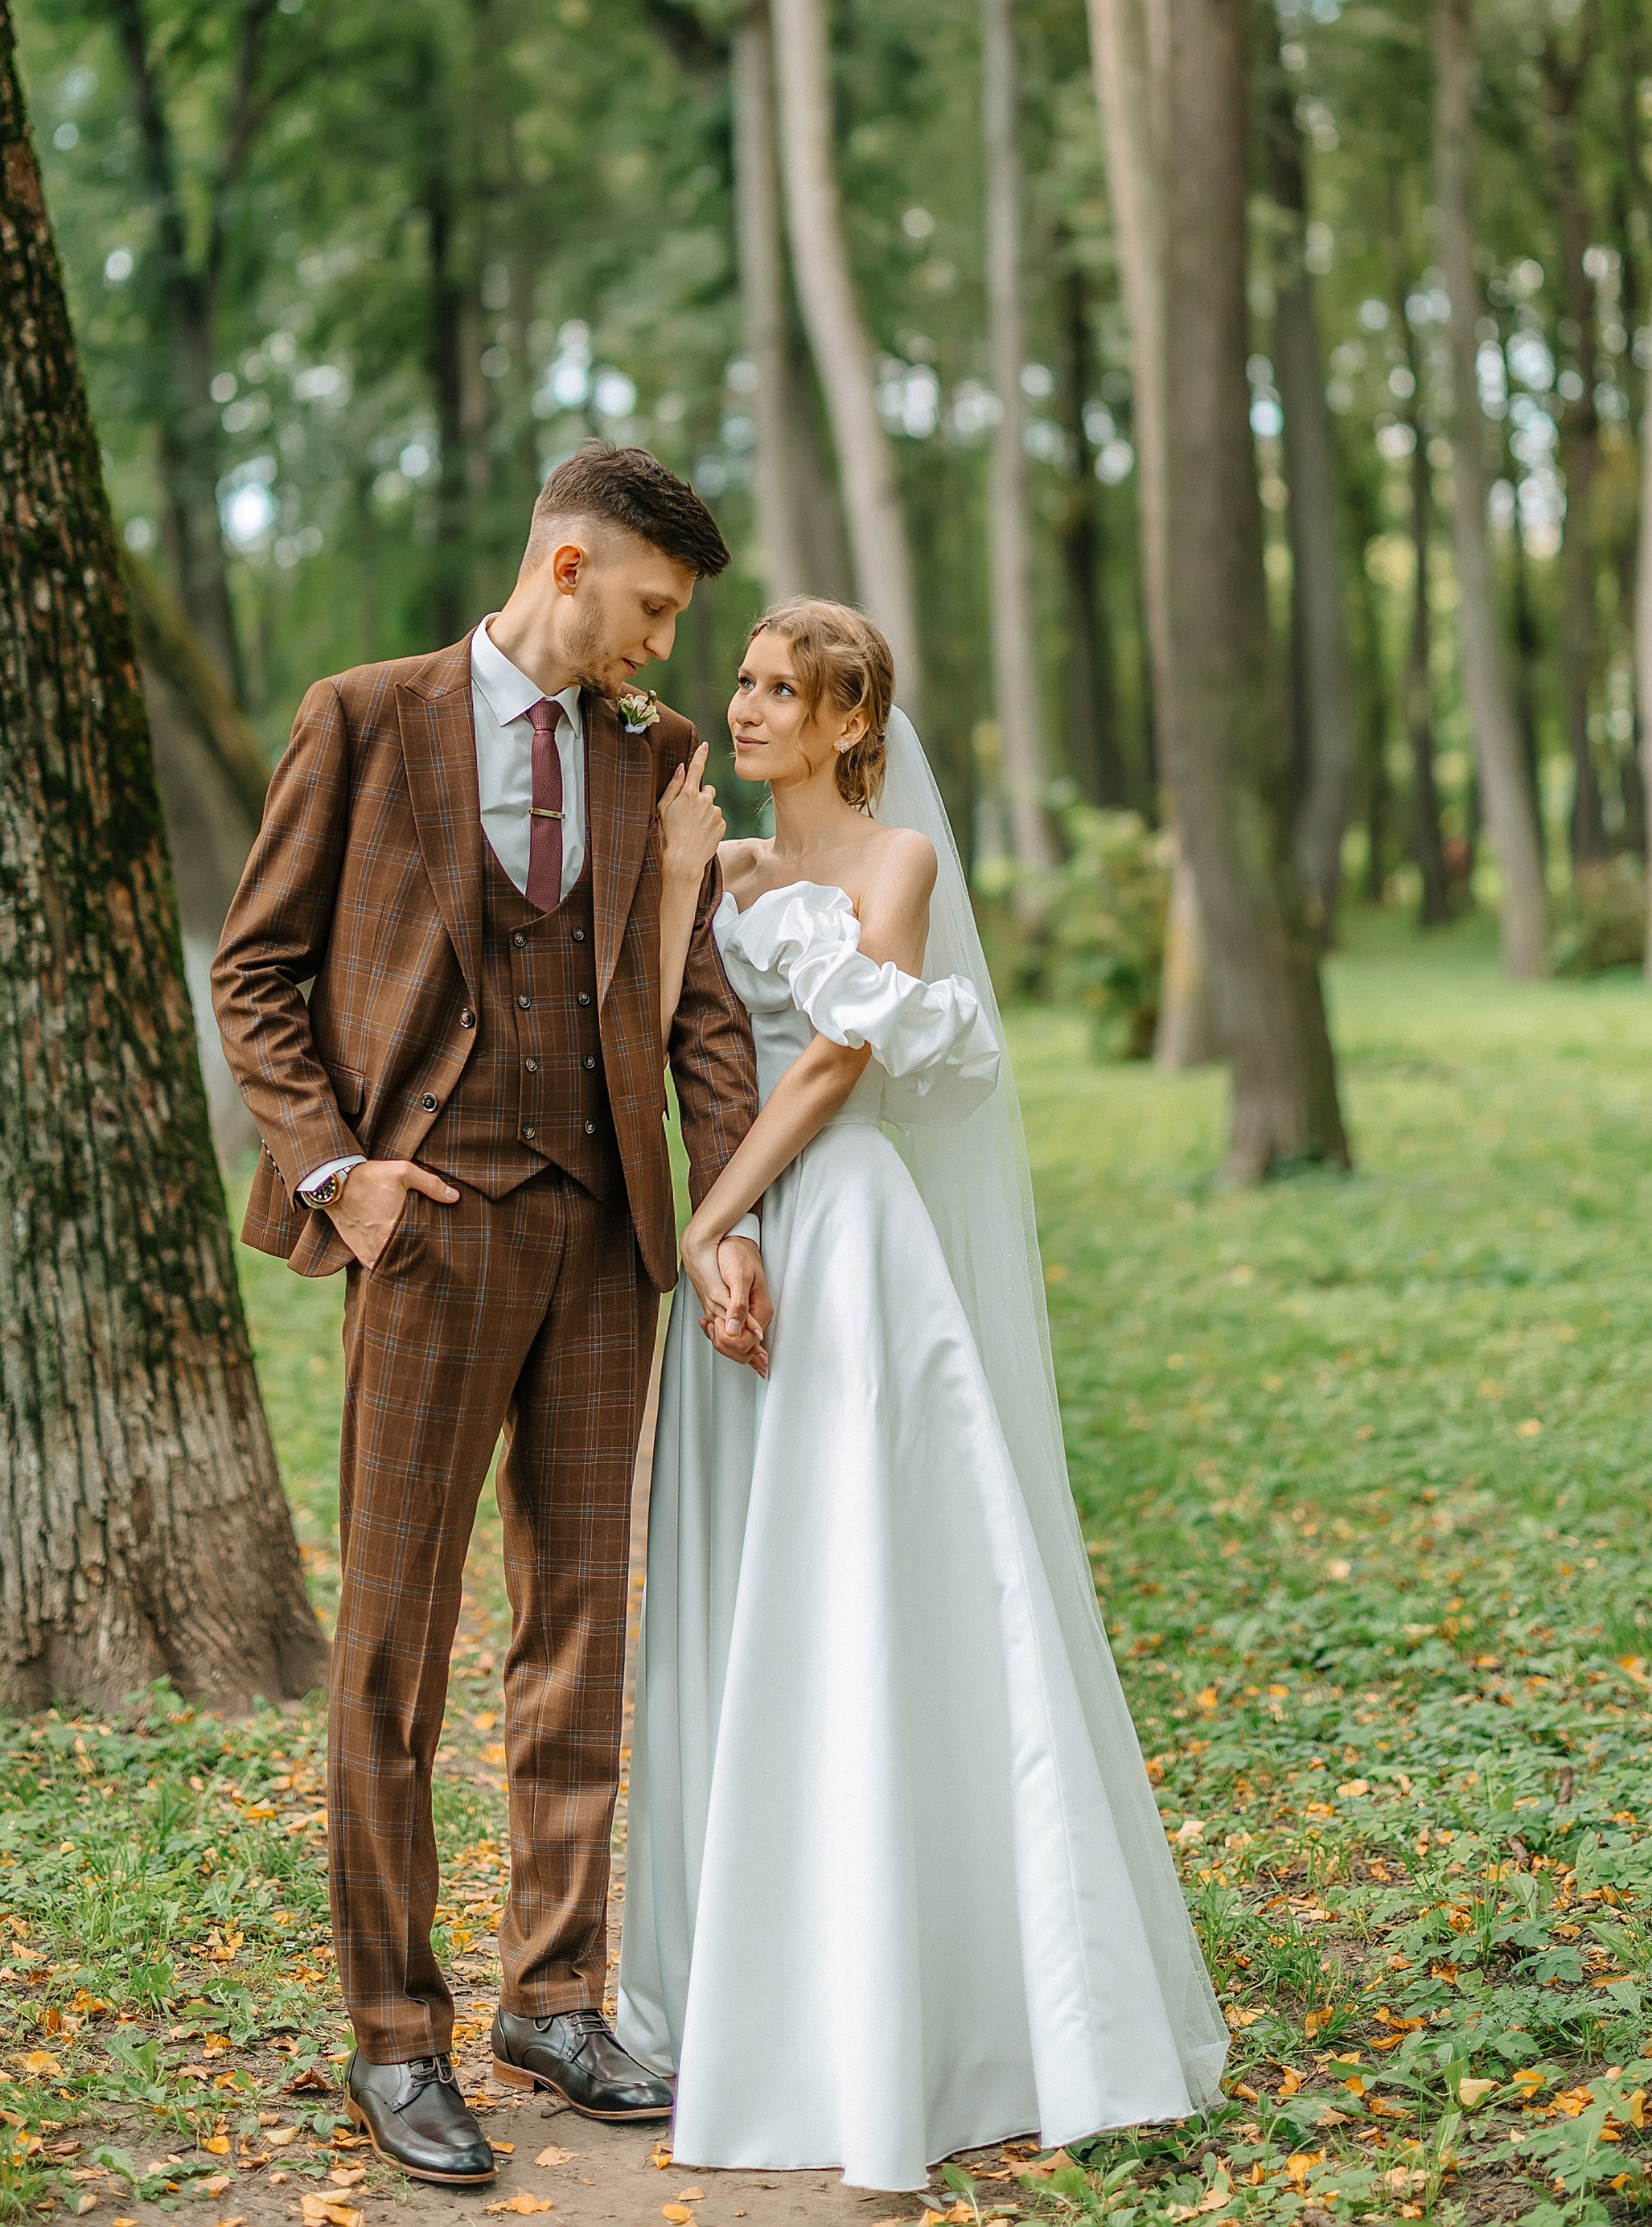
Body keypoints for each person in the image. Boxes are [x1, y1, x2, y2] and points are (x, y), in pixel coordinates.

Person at [618, 601, 1228, 2191]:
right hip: (748, 1238)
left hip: (851, 1230)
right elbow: (687, 1043)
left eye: (776, 690)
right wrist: (720, 1222)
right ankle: (757, 1986)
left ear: (845, 723)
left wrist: (713, 1218)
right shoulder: (730, 873)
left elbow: (831, 1066)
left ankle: (942, 1997)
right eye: (739, 681)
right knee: (748, 1597)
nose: (742, 708)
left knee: (880, 1586)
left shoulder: (893, 866)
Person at [212, 446, 763, 2188]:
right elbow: (256, 968)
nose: (663, 650)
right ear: (568, 559)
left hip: (604, 1244)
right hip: (426, 1241)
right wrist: (338, 1175)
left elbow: (695, 1006)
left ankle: (552, 1996)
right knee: (389, 1644)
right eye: (652, 611)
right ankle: (394, 2038)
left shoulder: (652, 754)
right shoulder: (365, 719)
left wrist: (727, 1205)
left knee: (580, 1628)